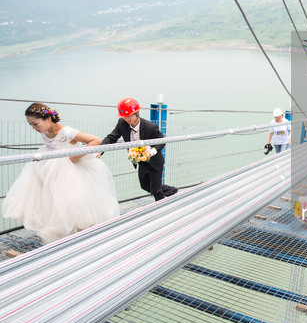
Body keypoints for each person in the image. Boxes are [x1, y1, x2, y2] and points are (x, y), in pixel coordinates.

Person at [2, 103, 120, 244]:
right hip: (50, 170)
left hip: (69, 171)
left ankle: (81, 236)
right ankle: (62, 235)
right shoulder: (45, 132)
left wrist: (75, 156)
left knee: (73, 204)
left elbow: (95, 140)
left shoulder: (66, 132)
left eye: (35, 123)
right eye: (31, 125)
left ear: (47, 119)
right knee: (52, 202)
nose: (34, 128)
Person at [101, 98, 177, 202]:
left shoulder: (151, 127)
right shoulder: (122, 123)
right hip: (140, 159)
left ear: (137, 113)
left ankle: (163, 210)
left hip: (154, 161)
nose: (127, 119)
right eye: (124, 116)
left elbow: (161, 141)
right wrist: (100, 150)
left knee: (156, 190)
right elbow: (112, 137)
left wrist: (151, 152)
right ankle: (169, 189)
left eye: (129, 115)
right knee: (145, 186)